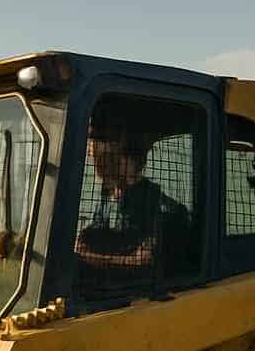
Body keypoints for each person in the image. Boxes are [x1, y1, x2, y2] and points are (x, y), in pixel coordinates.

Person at [73, 107, 194, 293]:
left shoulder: (163, 210)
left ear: (122, 152)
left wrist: (87, 257)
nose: (91, 155)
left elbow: (144, 263)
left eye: (100, 145)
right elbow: (87, 239)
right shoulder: (107, 199)